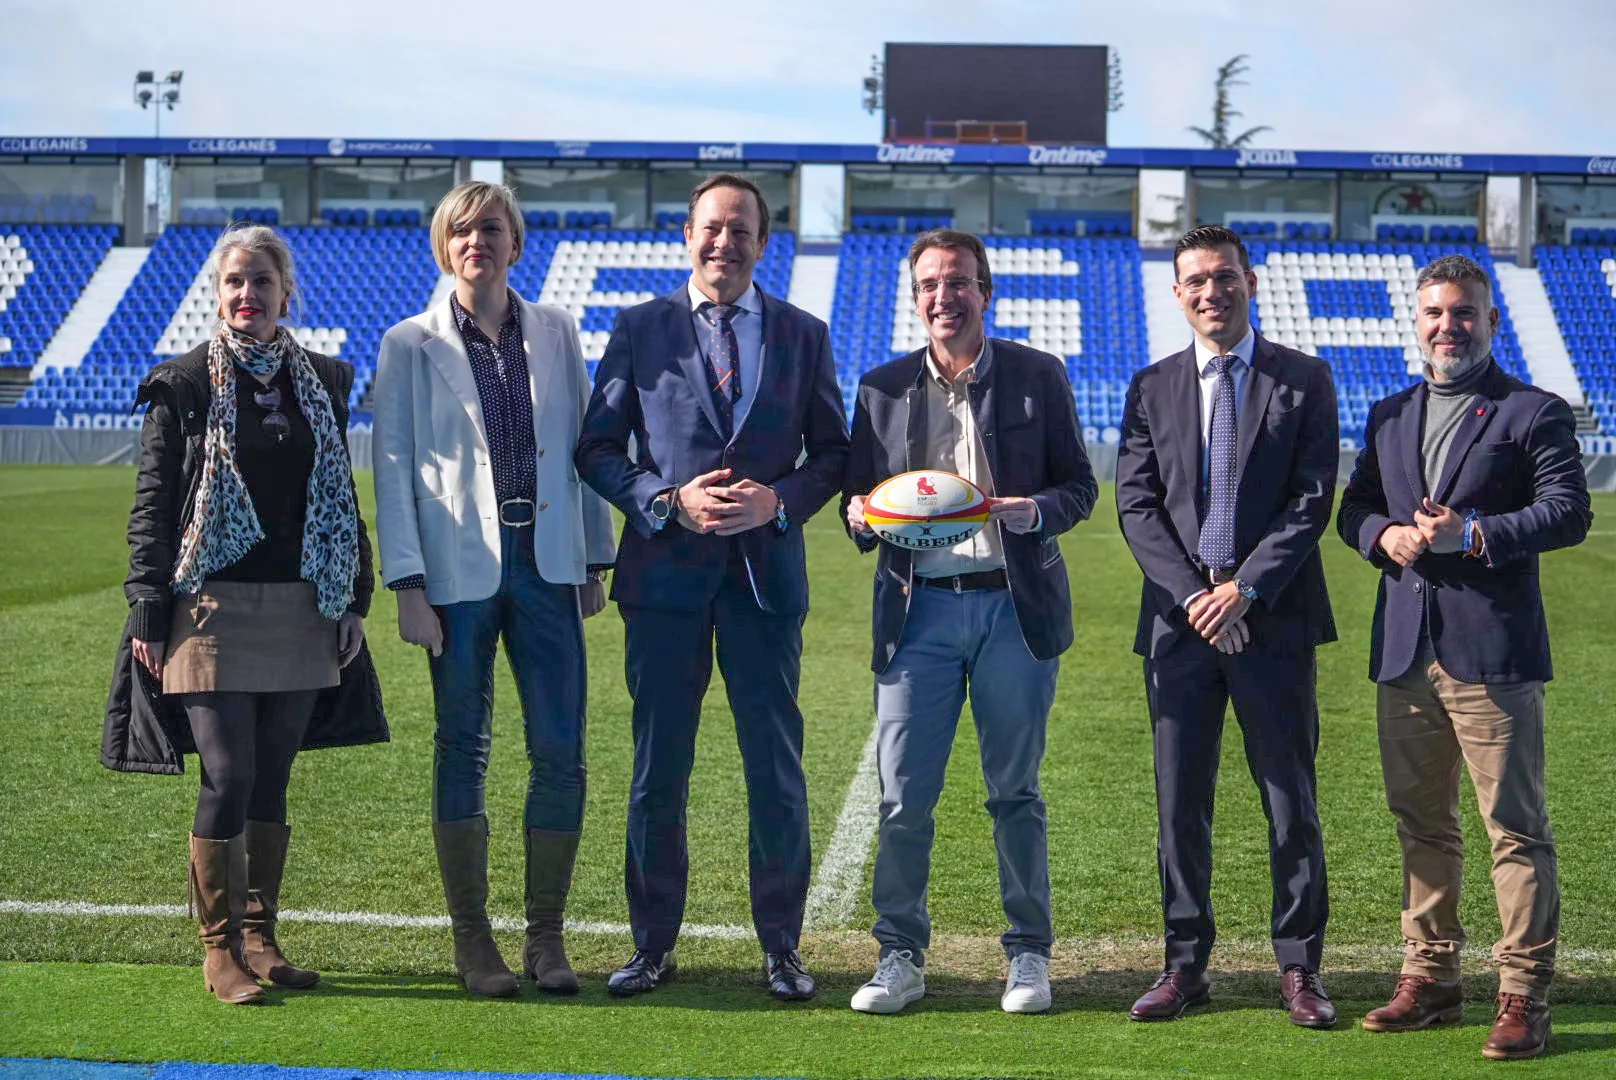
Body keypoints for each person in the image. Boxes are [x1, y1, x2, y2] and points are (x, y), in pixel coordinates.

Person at [575, 172, 849, 1001]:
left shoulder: (804, 334)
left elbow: (834, 454)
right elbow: (598, 449)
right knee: (660, 770)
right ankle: (652, 947)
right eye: (711, 228)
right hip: (664, 586)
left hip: (765, 586)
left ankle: (784, 949)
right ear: (686, 236)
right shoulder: (639, 329)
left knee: (776, 769)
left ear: (764, 243)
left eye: (741, 231)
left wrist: (779, 501)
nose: (724, 243)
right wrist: (665, 500)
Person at [102, 223, 385, 1005]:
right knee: (227, 776)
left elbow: (339, 501)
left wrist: (352, 597)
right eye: (234, 282)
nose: (247, 295)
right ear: (216, 293)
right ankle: (218, 948)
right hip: (209, 609)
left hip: (300, 607)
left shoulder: (323, 380)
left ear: (287, 293)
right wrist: (147, 611)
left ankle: (262, 939)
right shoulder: (183, 383)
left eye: (261, 282)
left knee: (273, 780)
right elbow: (154, 505)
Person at [1337, 255, 1591, 1061]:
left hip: (1494, 653)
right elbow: (1356, 509)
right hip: (1405, 649)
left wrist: (1473, 533)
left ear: (1490, 320)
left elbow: (1568, 511)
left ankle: (1524, 995)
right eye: (1436, 313)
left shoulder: (1531, 410)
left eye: (1465, 313)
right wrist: (1385, 536)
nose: (1449, 326)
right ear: (1417, 321)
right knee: (1421, 822)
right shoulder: (1387, 414)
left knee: (1514, 829)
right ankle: (1433, 977)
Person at [840, 228, 1096, 1015]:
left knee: (1014, 791)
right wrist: (858, 514)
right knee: (903, 798)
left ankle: (1027, 957)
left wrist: (1034, 512)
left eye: (959, 283)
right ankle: (900, 956)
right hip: (918, 617)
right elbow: (857, 502)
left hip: (1011, 612)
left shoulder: (1036, 376)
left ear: (986, 292)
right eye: (929, 285)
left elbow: (1080, 488)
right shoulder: (882, 388)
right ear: (914, 296)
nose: (943, 297)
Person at [372, 181, 616, 998]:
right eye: (463, 230)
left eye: (493, 227)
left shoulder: (555, 330)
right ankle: (474, 943)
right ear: (446, 246)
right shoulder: (408, 341)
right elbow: (395, 462)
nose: (478, 240)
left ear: (517, 242)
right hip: (457, 572)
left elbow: (583, 446)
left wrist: (593, 558)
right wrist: (407, 582)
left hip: (545, 560)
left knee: (560, 750)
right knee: (461, 746)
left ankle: (545, 939)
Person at [1115, 224, 1339, 1027]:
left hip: (1272, 621)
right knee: (1181, 801)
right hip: (1180, 628)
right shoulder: (1152, 386)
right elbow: (1136, 506)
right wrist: (1196, 598)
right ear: (1178, 295)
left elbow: (1313, 498)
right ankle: (1184, 964)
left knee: (1289, 797)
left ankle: (1300, 968)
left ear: (1250, 282)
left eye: (1224, 277)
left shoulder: (1305, 380)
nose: (1211, 292)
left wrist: (1243, 590)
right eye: (1196, 282)